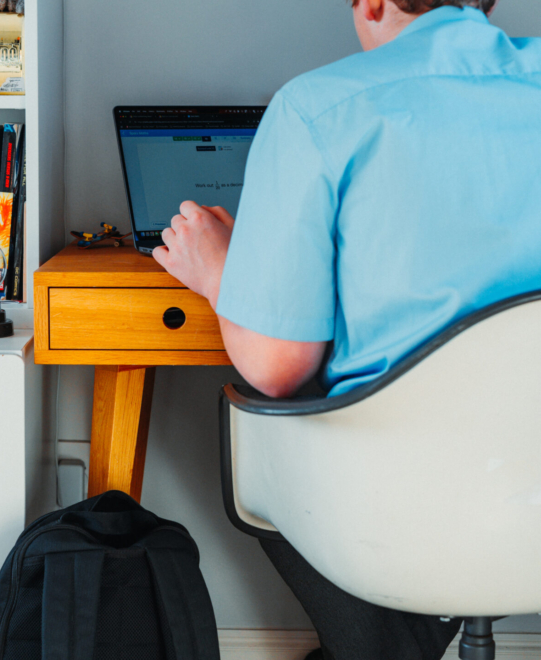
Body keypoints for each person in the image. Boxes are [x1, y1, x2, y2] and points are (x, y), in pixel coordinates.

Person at [153, 0, 541, 657]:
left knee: (272, 403)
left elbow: (279, 367)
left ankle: (379, 644)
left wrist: (222, 273)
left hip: (396, 506)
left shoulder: (319, 108)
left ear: (369, 3)